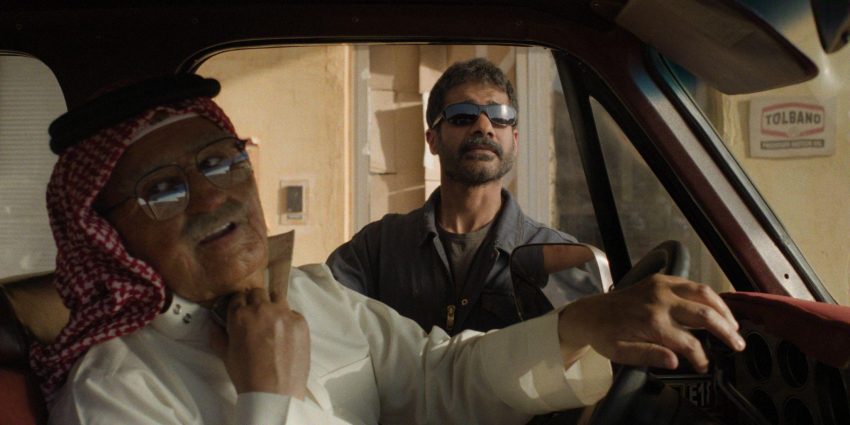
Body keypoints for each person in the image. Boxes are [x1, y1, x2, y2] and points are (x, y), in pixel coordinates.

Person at [34, 74, 745, 424]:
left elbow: (436, 375)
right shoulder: (112, 391)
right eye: (163, 190)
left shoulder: (312, 293)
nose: (212, 198)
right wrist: (265, 396)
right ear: (108, 233)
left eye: (222, 163)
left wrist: (581, 327)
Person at [327, 58, 597, 334]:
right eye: (462, 115)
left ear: (514, 140)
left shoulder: (556, 255)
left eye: (500, 115)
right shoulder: (379, 247)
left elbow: (587, 349)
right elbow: (322, 315)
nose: (484, 126)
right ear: (432, 140)